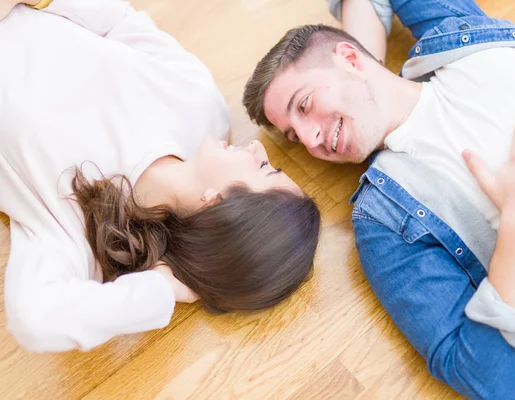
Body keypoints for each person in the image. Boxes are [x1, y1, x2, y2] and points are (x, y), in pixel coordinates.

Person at [242, 0, 515, 398]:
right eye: (294, 135)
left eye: (304, 105)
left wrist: (365, 62)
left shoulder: (464, 39)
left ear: (347, 57)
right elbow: (481, 375)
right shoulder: (385, 218)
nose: (310, 140)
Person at [0, 0, 320, 354]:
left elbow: (38, 320)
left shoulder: (81, 232)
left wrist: (161, 291)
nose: (260, 151)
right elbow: (120, 22)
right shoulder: (201, 107)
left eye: (265, 169)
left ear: (216, 201)